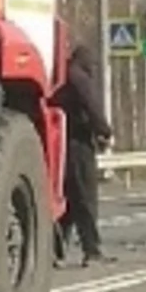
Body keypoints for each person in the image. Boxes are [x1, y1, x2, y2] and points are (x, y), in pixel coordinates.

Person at [53, 43, 113, 267]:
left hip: (57, 143)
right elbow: (92, 105)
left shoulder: (58, 76)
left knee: (65, 199)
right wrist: (104, 131)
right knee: (85, 198)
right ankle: (92, 251)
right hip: (78, 142)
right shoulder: (79, 78)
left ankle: (55, 251)